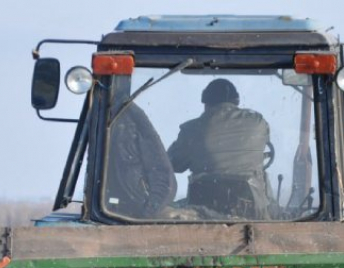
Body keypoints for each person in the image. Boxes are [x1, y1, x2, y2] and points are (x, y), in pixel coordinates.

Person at [168, 79, 272, 218]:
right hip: (252, 211)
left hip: (202, 215)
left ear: (206, 104)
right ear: (237, 101)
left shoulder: (192, 130)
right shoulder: (259, 123)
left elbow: (173, 164)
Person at [104, 102, 177, 218]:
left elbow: (162, 172)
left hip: (133, 212)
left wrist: (148, 211)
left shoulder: (129, 119)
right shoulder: (108, 112)